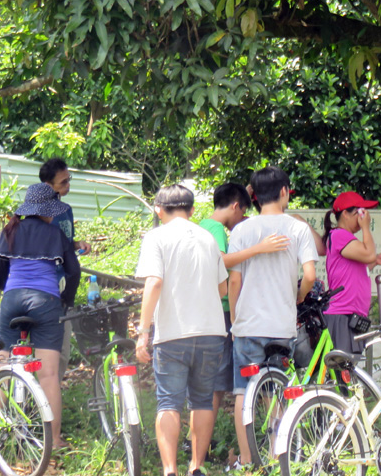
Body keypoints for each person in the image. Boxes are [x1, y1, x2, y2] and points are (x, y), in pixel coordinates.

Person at [227, 166, 318, 469]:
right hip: (281, 325)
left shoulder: (242, 230)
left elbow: (234, 282)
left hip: (248, 327)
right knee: (278, 390)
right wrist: (299, 296)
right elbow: (309, 275)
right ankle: (275, 455)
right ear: (284, 192)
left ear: (253, 195)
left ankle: (246, 458)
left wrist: (236, 319)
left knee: (244, 391)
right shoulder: (297, 228)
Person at [135, 185, 227, 476]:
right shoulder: (208, 238)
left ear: (158, 210)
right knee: (202, 400)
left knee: (168, 402)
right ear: (191, 211)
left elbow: (154, 283)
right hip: (212, 331)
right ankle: (196, 467)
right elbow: (222, 287)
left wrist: (143, 331)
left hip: (173, 335)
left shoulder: (156, 237)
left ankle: (170, 470)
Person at [0, 182, 81, 450]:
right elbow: (73, 271)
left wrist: (4, 288)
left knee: (2, 367)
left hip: (13, 301)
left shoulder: (10, 230)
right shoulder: (55, 234)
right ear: (47, 211)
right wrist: (67, 300)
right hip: (46, 302)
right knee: (49, 375)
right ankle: (54, 442)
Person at [200, 182, 292, 415]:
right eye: (242, 212)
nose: (242, 219)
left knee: (221, 387)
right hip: (222, 312)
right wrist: (260, 248)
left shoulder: (203, 226)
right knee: (225, 387)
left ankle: (200, 444)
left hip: (209, 310)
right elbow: (222, 261)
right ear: (234, 206)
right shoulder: (217, 229)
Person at [321, 191, 381, 353]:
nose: (362, 217)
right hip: (341, 315)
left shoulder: (344, 238)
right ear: (345, 214)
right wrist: (366, 227)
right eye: (359, 212)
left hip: (351, 316)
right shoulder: (340, 235)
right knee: (342, 372)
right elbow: (367, 254)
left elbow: (352, 272)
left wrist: (374, 261)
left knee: (347, 370)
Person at [39, 157, 90, 380]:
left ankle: (51, 396)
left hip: (65, 291)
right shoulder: (38, 213)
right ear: (47, 186)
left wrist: (77, 244)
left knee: (61, 352)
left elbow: (64, 241)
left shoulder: (66, 210)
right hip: (46, 291)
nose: (68, 185)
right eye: (63, 182)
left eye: (69, 180)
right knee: (45, 351)